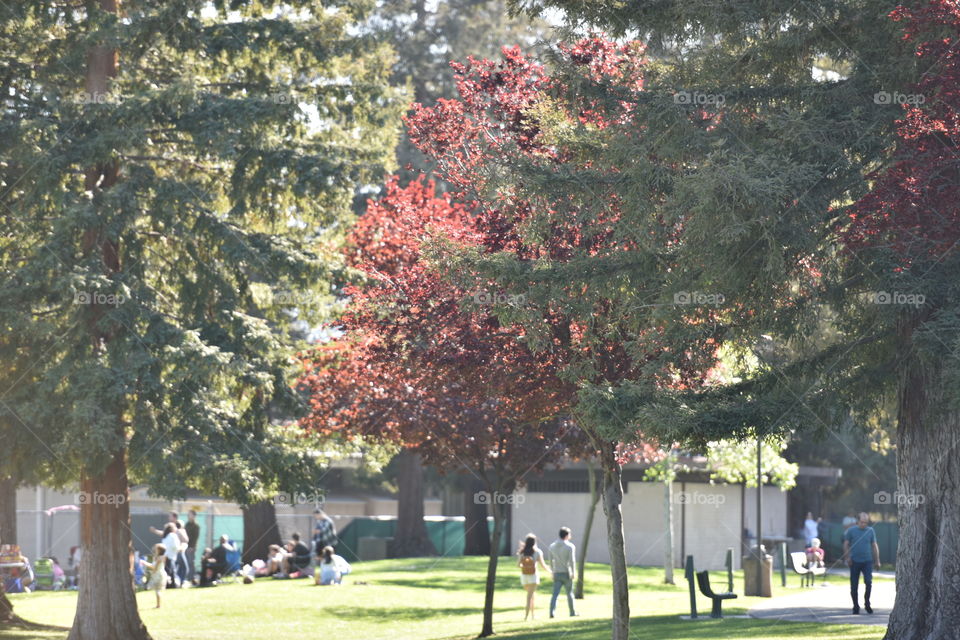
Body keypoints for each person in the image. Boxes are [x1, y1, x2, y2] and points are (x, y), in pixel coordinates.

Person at [843, 512, 881, 614]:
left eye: (866, 522)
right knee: (854, 585)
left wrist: (877, 560)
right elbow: (846, 544)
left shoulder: (870, 531)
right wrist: (847, 558)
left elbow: (874, 545)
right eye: (862, 522)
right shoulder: (851, 531)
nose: (864, 524)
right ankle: (855, 606)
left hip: (867, 561)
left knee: (868, 582)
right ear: (857, 522)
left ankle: (867, 603)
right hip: (854, 561)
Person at [517, 533, 551, 621]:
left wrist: (525, 566)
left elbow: (518, 565)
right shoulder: (538, 552)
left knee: (531, 596)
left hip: (524, 576)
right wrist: (550, 571)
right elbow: (543, 565)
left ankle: (532, 615)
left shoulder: (522, 552)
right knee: (530, 596)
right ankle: (526, 616)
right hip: (533, 576)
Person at [547, 527, 578, 618]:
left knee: (555, 594)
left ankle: (552, 612)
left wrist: (552, 572)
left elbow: (550, 560)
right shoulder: (570, 546)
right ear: (567, 535)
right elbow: (572, 561)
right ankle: (572, 612)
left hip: (557, 572)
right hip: (566, 573)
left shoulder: (552, 546)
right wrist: (573, 572)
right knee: (570, 594)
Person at [141, 544, 167, 608]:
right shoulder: (157, 557)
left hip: (159, 576)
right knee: (157, 590)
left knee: (157, 590)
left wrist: (144, 563)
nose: (154, 549)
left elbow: (154, 568)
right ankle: (158, 605)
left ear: (159, 550)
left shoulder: (160, 558)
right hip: (157, 575)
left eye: (156, 549)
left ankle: (158, 605)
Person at [160, 523, 181, 588]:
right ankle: (173, 585)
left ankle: (166, 585)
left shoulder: (165, 536)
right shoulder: (173, 535)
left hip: (165, 557)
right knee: (172, 573)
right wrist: (182, 547)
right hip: (170, 557)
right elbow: (176, 547)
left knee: (167, 572)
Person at [184, 510, 200, 584]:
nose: (188, 516)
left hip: (191, 547)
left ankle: (192, 578)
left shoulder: (196, 526)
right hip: (185, 546)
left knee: (191, 562)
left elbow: (195, 538)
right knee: (186, 562)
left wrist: (192, 547)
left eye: (190, 514)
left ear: (194, 516)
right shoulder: (186, 525)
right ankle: (187, 577)